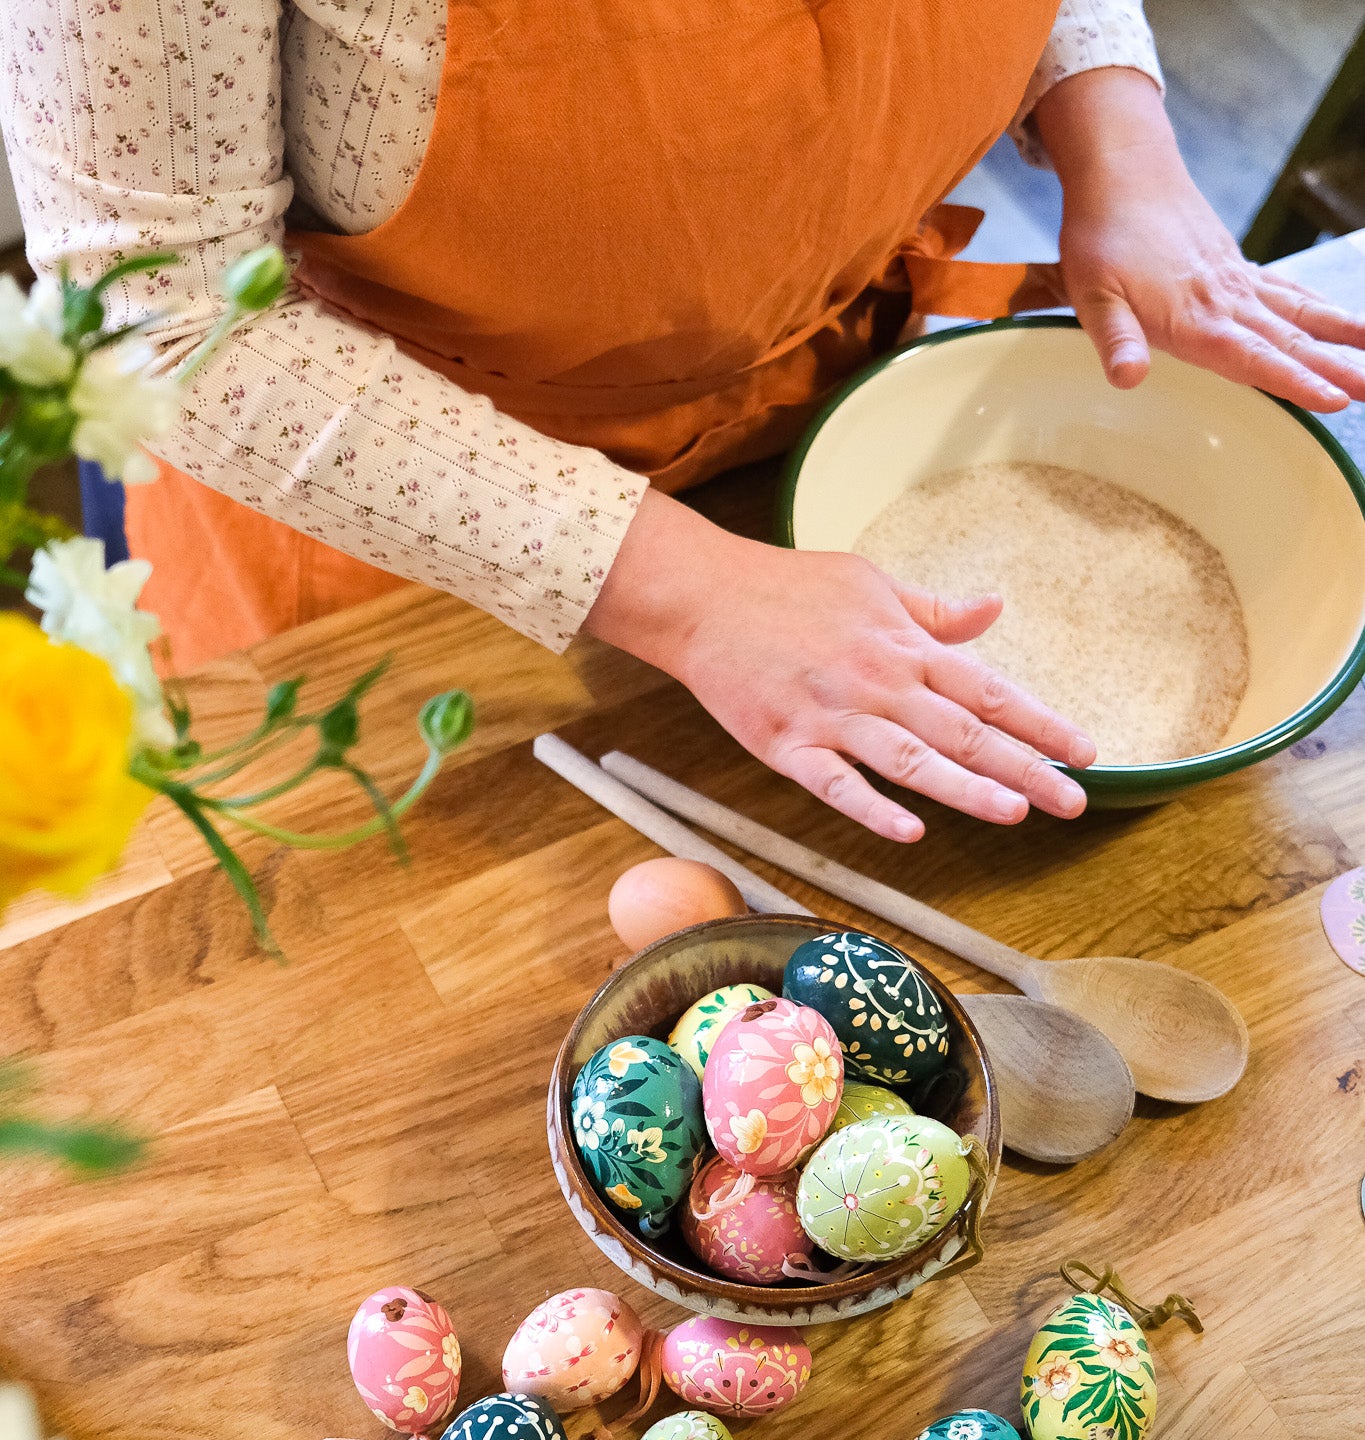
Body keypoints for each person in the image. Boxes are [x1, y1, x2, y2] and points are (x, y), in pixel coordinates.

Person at [5, 2, 1365, 843]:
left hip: (814, 410)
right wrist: (687, 593)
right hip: (399, 530)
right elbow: (166, 316)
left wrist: (1107, 128)